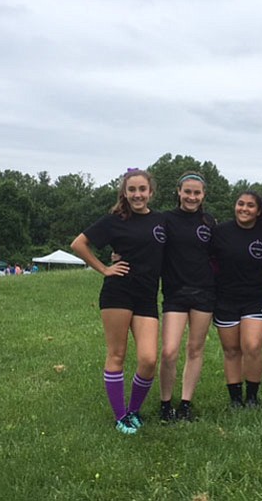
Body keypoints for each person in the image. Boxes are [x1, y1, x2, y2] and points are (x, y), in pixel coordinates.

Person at [71, 169, 166, 435]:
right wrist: (104, 268)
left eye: (142, 189)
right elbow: (78, 244)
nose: (137, 195)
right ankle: (120, 416)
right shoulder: (114, 221)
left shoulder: (161, 221)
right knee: (117, 354)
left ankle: (134, 410)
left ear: (151, 192)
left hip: (147, 295)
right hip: (118, 293)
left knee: (148, 359)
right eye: (132, 190)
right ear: (124, 192)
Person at [158, 171, 216, 423]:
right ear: (179, 192)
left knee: (195, 348)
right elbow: (144, 243)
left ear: (203, 195)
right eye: (187, 192)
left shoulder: (209, 222)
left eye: (197, 193)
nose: (192, 197)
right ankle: (165, 403)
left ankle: (185, 403)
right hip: (175, 292)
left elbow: (220, 256)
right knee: (169, 351)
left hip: (204, 292)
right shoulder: (164, 220)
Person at [212, 191, 262, 408]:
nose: (244, 209)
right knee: (231, 350)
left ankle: (253, 397)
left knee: (252, 346)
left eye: (250, 206)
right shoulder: (219, 232)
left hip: (256, 297)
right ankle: (235, 399)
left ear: (258, 211)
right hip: (225, 298)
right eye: (240, 204)